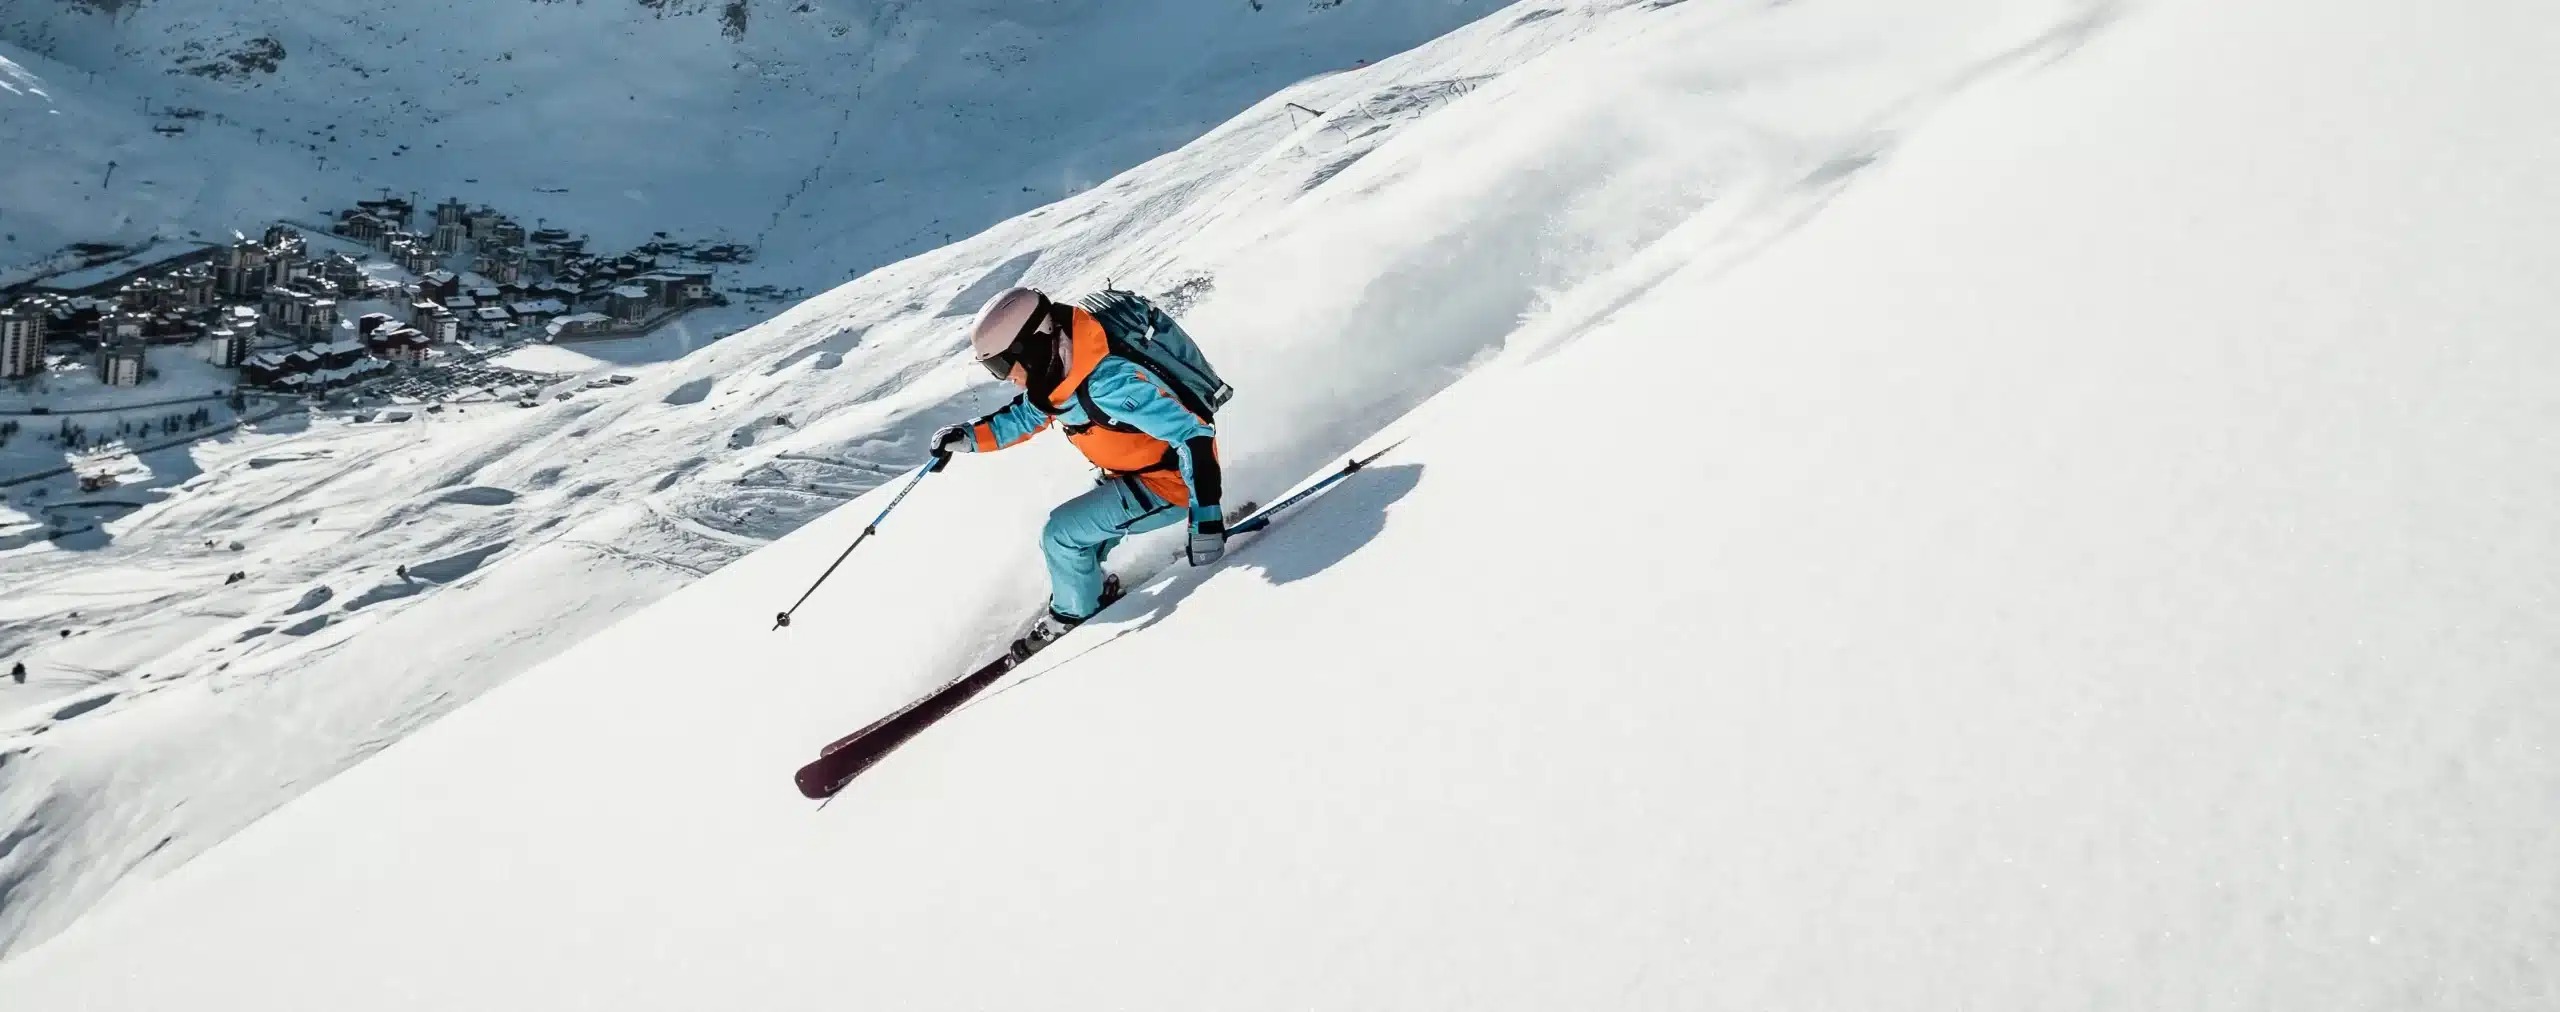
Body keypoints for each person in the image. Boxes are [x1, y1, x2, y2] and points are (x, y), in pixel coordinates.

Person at [932, 287, 1225, 653]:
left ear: (1029, 348)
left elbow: (1193, 434)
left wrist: (1207, 518)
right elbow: (1028, 415)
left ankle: (1073, 616)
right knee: (1078, 539)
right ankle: (1086, 591)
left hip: (1169, 485)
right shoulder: (1061, 368)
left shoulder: (1107, 383)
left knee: (1061, 534)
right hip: (1129, 472)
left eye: (1002, 366)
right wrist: (968, 437)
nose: (1004, 378)